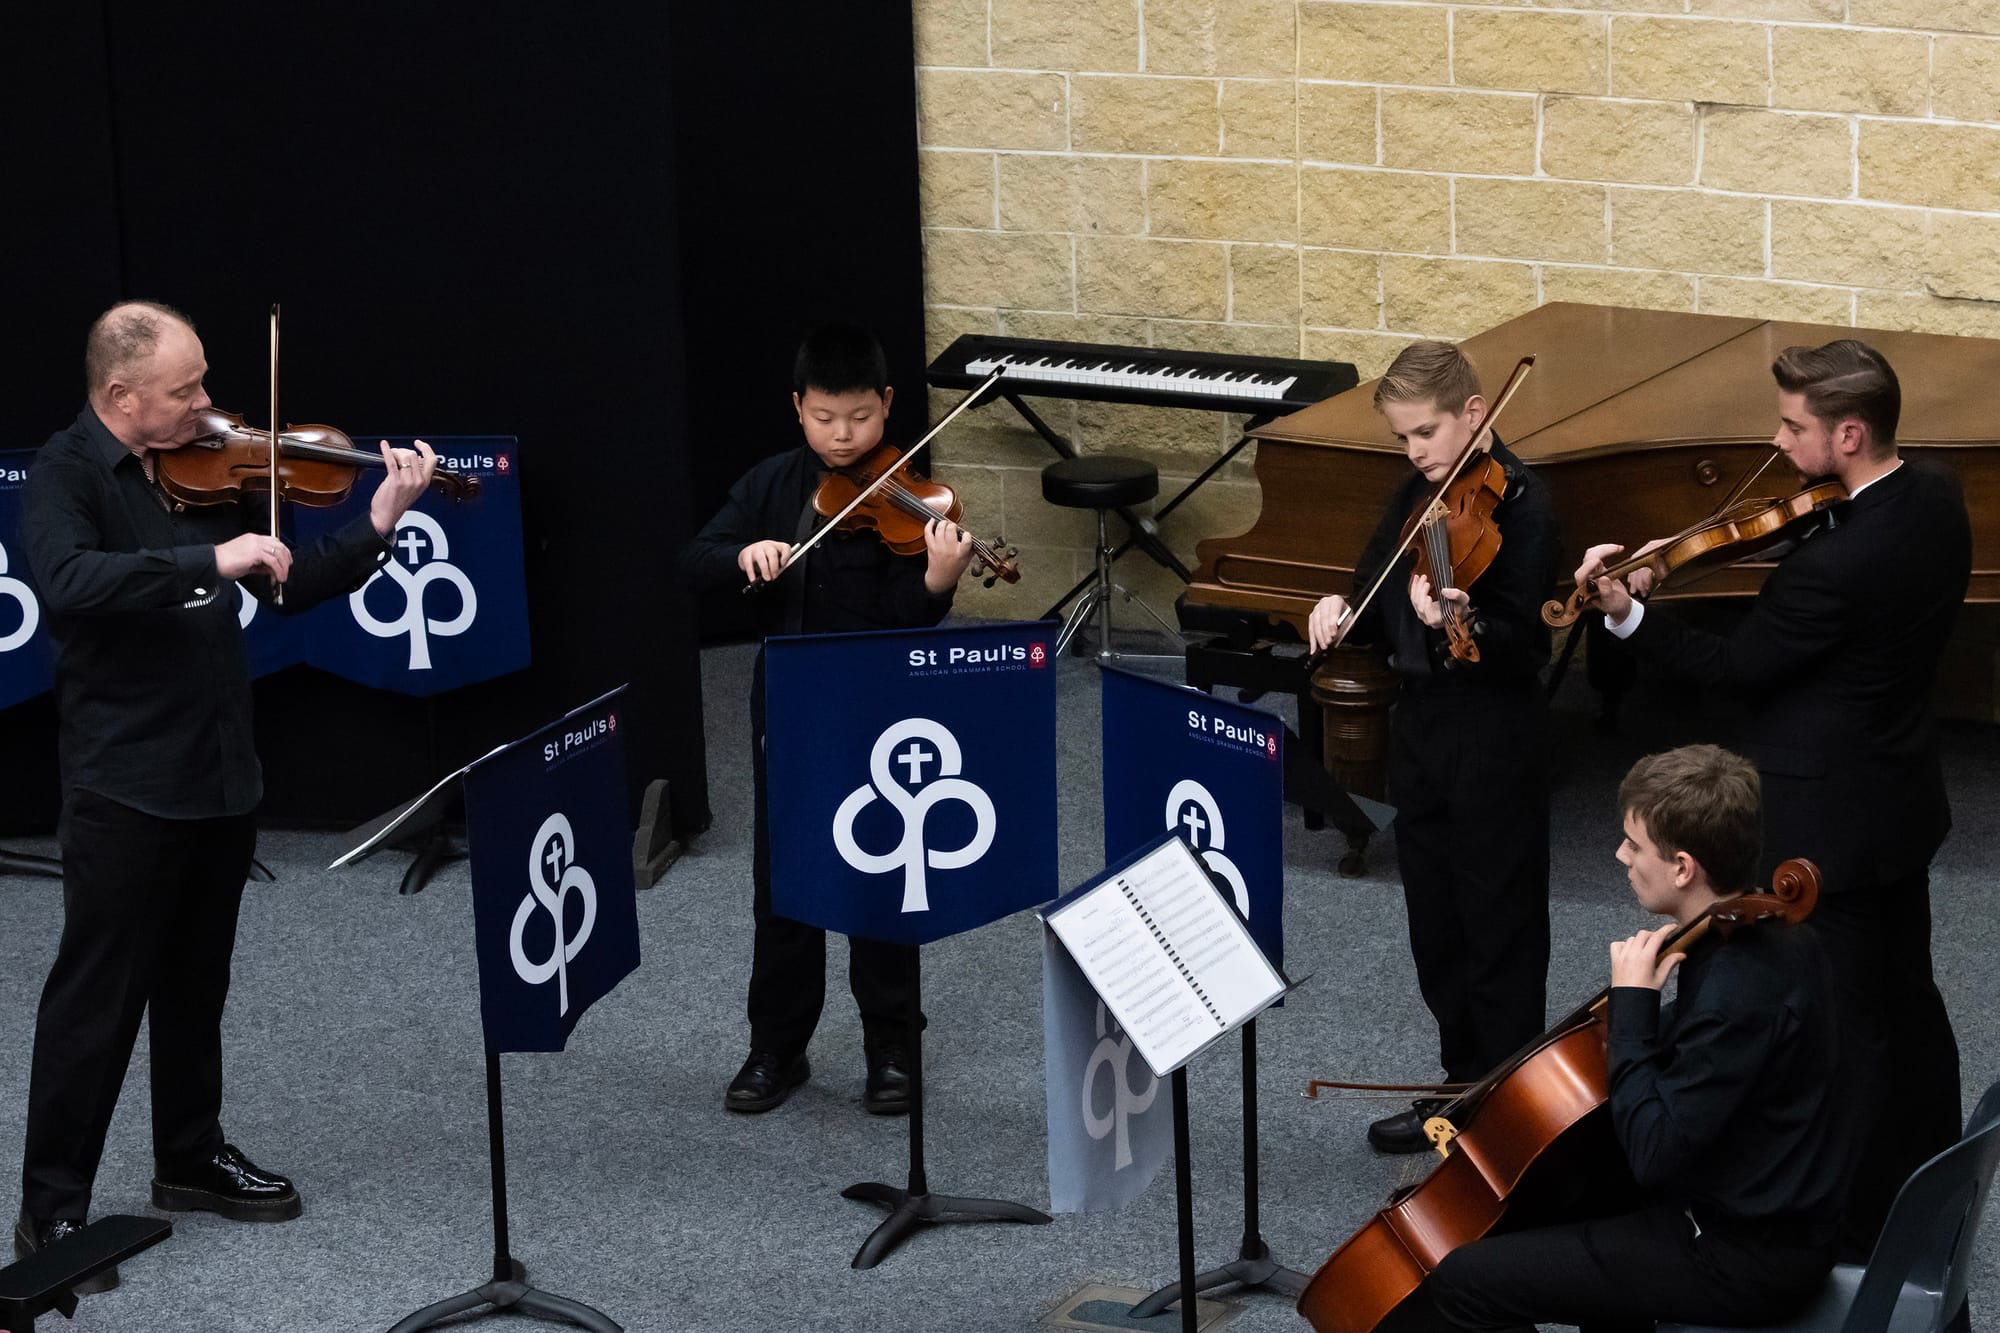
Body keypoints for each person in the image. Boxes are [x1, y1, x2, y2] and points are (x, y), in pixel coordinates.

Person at [15, 300, 437, 1288]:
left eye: (204, 381)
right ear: (122, 396)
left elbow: (287, 581)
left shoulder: (207, 464)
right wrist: (211, 558)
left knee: (197, 985)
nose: (210, 406)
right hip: (127, 783)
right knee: (96, 998)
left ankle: (189, 1157)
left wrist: (378, 522)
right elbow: (72, 583)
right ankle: (50, 1210)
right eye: (185, 389)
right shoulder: (64, 474)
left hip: (218, 771)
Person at [1573, 338, 1969, 1256]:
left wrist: (1628, 613)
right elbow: (1811, 528)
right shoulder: (1934, 496)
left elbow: (1734, 667)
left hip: (1826, 821)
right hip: (1901, 796)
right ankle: (1933, 1181)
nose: (1780, 441)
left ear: (1852, 431)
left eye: (1795, 426)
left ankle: (1863, 1226)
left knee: (1850, 1023)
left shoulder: (1834, 571)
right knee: (1909, 1001)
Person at [1405, 745, 1856, 1333]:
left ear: (1683, 867)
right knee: (1564, 1201)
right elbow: (1725, 1068)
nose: (1621, 856)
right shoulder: (1782, 940)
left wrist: (1635, 1007)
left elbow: (1653, 1153)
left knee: (1463, 1283)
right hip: (1769, 1212)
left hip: (1737, 1256)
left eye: (1634, 845)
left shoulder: (1730, 988)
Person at [681, 325, 974, 1116]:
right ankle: (778, 1047)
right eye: (823, 418)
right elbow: (696, 556)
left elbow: (899, 620)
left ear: (886, 405)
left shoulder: (911, 498)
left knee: (883, 879)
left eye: (858, 417)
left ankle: (892, 1047)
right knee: (783, 887)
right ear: (798, 409)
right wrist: (742, 556)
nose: (842, 436)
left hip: (876, 712)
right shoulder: (771, 484)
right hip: (790, 710)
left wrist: (936, 585)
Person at [1306, 341, 1562, 1154]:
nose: (1415, 454)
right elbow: (1371, 582)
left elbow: (1523, 645)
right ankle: (1457, 1095)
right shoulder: (1421, 493)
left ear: (1475, 414)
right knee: (1437, 930)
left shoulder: (1525, 508)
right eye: (1403, 440)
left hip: (1494, 739)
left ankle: (1509, 1112)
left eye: (1425, 433)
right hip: (1422, 736)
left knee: (1500, 931)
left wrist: (1451, 624)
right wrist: (1339, 605)